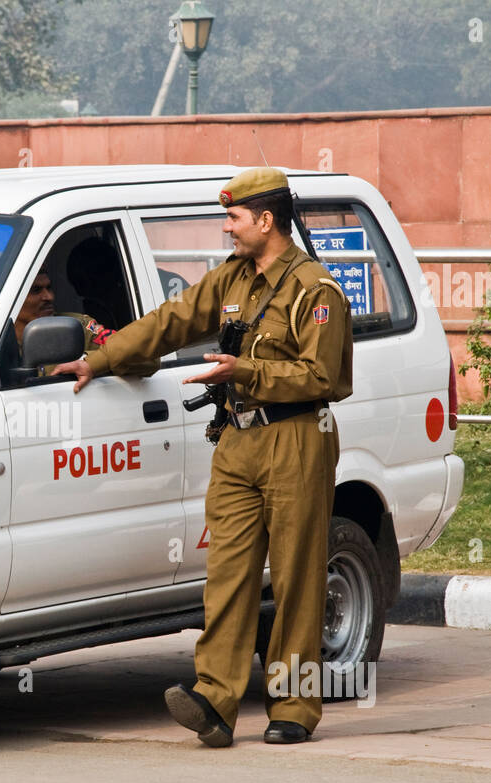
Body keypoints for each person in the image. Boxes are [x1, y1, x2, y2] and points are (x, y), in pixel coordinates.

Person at [53, 167, 353, 746]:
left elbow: (326, 375)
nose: (227, 228)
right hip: (238, 440)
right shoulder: (231, 279)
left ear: (266, 221)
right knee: (228, 575)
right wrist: (103, 359)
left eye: (235, 218)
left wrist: (247, 370)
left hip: (296, 439)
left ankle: (294, 707)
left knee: (297, 578)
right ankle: (214, 700)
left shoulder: (315, 290)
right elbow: (172, 321)